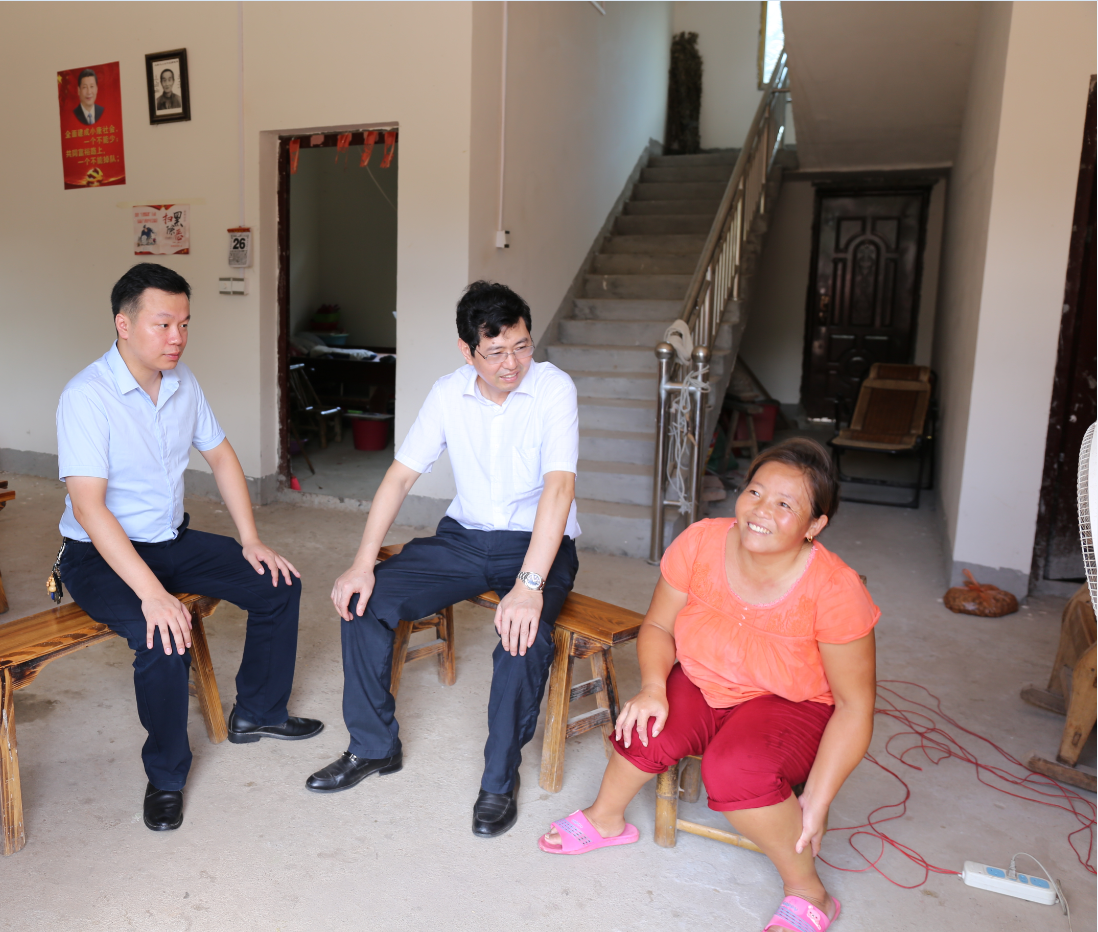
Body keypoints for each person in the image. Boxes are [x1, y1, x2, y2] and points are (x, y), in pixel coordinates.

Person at [538, 439, 878, 932]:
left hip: (789, 702)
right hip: (704, 677)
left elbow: (854, 706)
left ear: (814, 525)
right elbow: (658, 626)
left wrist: (818, 801)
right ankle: (605, 818)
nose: (761, 511)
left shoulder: (835, 589)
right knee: (645, 725)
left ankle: (810, 892)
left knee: (734, 771)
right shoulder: (701, 541)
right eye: (755, 492)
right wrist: (653, 687)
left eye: (785, 504)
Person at [307, 281, 580, 839]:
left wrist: (529, 586)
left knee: (521, 637)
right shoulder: (448, 393)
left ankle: (499, 781)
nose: (512, 364)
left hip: (537, 544)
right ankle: (373, 747)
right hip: (463, 540)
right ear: (466, 350)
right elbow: (399, 477)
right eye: (496, 352)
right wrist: (361, 562)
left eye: (522, 346)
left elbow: (559, 488)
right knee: (365, 600)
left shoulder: (554, 388)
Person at [56, 263, 323, 834]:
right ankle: (166, 776)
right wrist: (152, 595)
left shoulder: (182, 383)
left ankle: (258, 713)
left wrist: (251, 540)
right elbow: (89, 509)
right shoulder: (87, 397)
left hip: (169, 540)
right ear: (123, 324)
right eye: (163, 324)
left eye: (184, 324)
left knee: (278, 583)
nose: (177, 337)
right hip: (99, 554)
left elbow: (221, 456)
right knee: (161, 633)